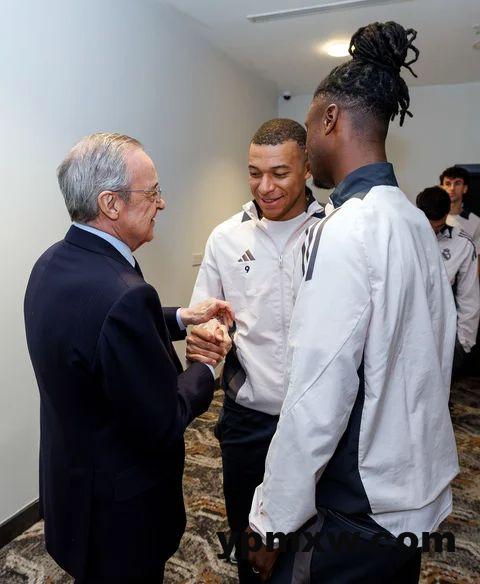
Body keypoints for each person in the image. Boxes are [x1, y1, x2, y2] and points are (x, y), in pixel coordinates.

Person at [248, 22, 459, 583]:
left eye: (309, 128)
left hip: (358, 506)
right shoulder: (411, 220)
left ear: (330, 119)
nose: (308, 146)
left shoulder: (346, 229)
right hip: (414, 489)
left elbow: (316, 393)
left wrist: (271, 520)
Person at [24, 133, 233, 584]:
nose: (162, 203)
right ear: (111, 203)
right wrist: (207, 365)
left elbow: (99, 329)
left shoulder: (52, 263)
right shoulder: (123, 295)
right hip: (121, 515)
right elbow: (164, 418)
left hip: (73, 488)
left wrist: (182, 317)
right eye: (152, 192)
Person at [187, 119, 324, 582]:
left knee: (314, 547)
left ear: (307, 167)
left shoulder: (334, 233)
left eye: (280, 173)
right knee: (249, 544)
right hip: (249, 421)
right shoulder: (226, 238)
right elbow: (206, 315)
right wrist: (209, 334)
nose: (265, 187)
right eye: (254, 172)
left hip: (321, 422)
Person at [416, 185, 479, 376]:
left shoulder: (462, 243)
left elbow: (469, 296)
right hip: (408, 332)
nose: (432, 232)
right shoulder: (404, 237)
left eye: (437, 227)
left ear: (446, 215)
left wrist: (464, 342)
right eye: (427, 226)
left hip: (443, 335)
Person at [440, 166, 480, 260]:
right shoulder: (433, 218)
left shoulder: (475, 221)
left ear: (465, 188)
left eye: (457, 183)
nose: (452, 188)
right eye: (448, 183)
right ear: (442, 188)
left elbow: (477, 257)